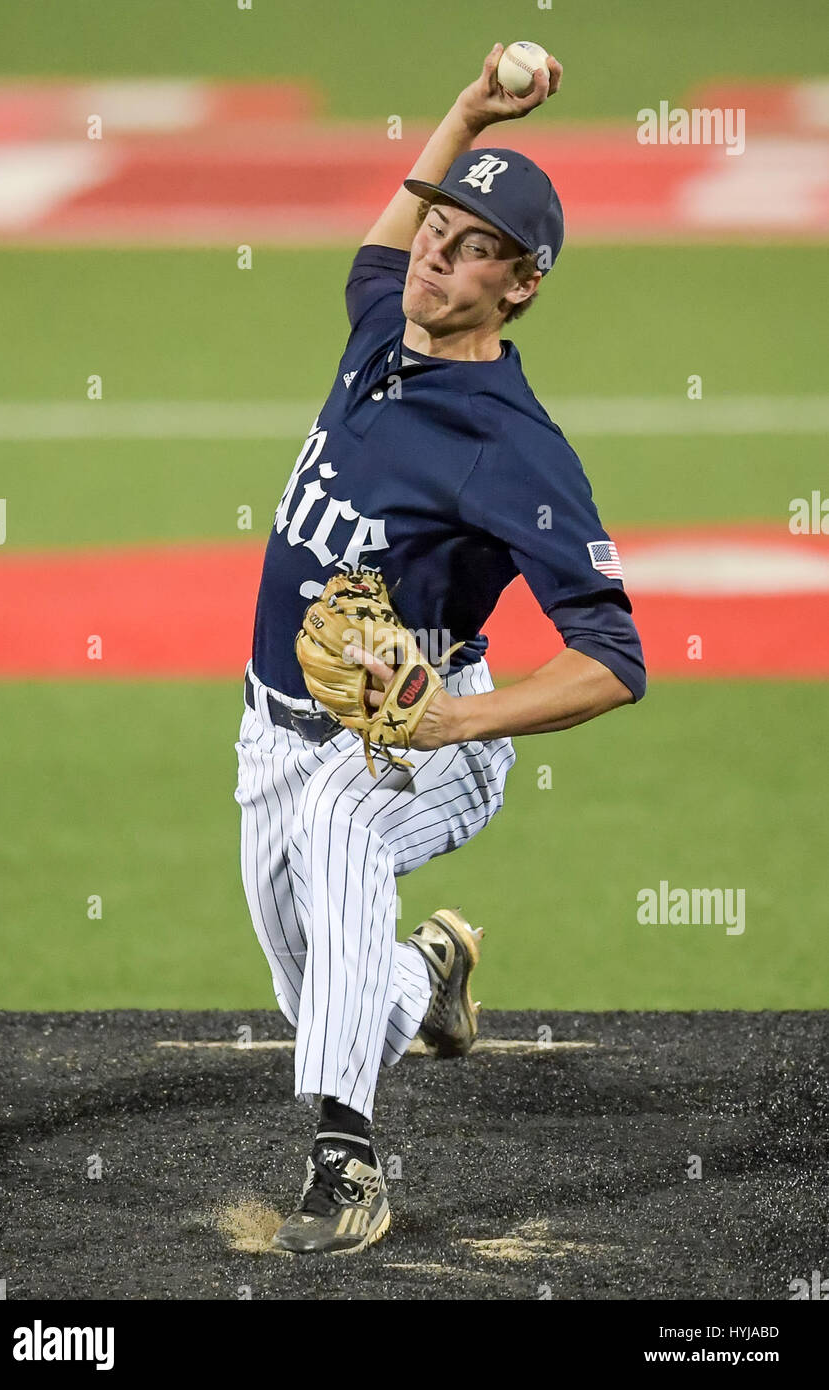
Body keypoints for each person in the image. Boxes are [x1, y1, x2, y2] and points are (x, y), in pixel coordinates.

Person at [235, 43, 646, 1255]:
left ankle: (347, 1168)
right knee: (325, 1000)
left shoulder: (512, 448)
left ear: (518, 286)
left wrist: (452, 722)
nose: (434, 247)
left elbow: (612, 658)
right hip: (271, 728)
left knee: (342, 834)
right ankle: (435, 967)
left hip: (424, 734)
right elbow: (377, 248)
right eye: (440, 221)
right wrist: (466, 114)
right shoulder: (379, 328)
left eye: (473, 245)